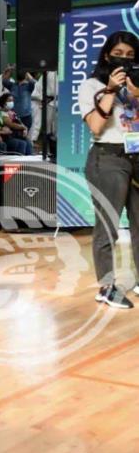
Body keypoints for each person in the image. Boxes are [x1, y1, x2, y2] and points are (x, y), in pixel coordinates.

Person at [79, 30, 139, 309]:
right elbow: (96, 126)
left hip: (137, 156)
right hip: (108, 157)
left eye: (130, 55)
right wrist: (112, 90)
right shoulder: (92, 85)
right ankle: (106, 285)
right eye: (119, 54)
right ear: (106, 55)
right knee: (108, 226)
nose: (124, 60)